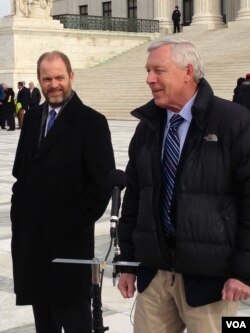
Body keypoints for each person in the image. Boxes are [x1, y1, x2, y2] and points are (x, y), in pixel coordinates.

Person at [117, 37, 250, 333]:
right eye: (147, 71)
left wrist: (244, 272)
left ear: (188, 72)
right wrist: (127, 263)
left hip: (213, 283)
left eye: (158, 70)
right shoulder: (148, 126)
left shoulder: (235, 122)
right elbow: (135, 198)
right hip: (155, 276)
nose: (149, 79)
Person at [11, 50, 115, 333]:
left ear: (71, 76)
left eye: (59, 77)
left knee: (76, 321)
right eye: (47, 79)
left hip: (69, 246)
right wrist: (20, 217)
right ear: (39, 81)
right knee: (44, 323)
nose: (54, 84)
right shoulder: (32, 120)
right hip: (33, 245)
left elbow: (100, 187)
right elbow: (21, 175)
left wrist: (68, 224)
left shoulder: (92, 122)